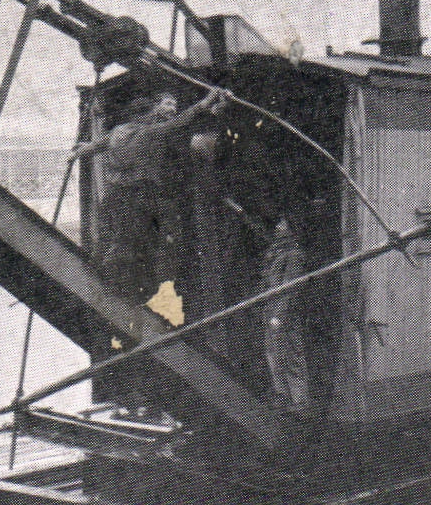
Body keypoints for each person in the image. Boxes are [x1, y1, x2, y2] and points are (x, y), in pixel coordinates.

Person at [71, 88, 227, 306]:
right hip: (137, 195)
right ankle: (117, 288)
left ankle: (96, 276)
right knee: (133, 242)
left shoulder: (119, 131)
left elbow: (100, 144)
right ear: (152, 109)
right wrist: (206, 102)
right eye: (167, 104)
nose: (172, 109)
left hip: (114, 194)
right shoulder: (149, 132)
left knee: (112, 238)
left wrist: (82, 150)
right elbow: (181, 121)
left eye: (173, 104)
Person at [259, 216, 312, 415]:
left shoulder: (294, 255)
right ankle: (282, 396)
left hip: (285, 313)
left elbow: (291, 287)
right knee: (274, 354)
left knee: (292, 356)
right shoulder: (276, 252)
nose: (278, 227)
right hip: (271, 310)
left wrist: (279, 314)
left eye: (282, 224)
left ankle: (299, 401)